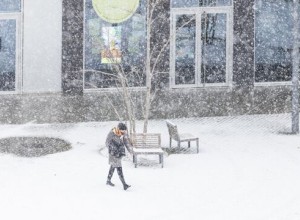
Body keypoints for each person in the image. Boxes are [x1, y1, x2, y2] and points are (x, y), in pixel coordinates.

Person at [105, 122, 132, 190]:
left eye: (124, 131)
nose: (123, 132)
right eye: (122, 130)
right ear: (118, 129)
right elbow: (107, 142)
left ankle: (108, 180)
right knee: (119, 167)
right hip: (113, 153)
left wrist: (130, 151)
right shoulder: (112, 132)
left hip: (119, 153)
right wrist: (112, 149)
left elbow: (126, 142)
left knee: (113, 166)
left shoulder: (124, 134)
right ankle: (124, 184)